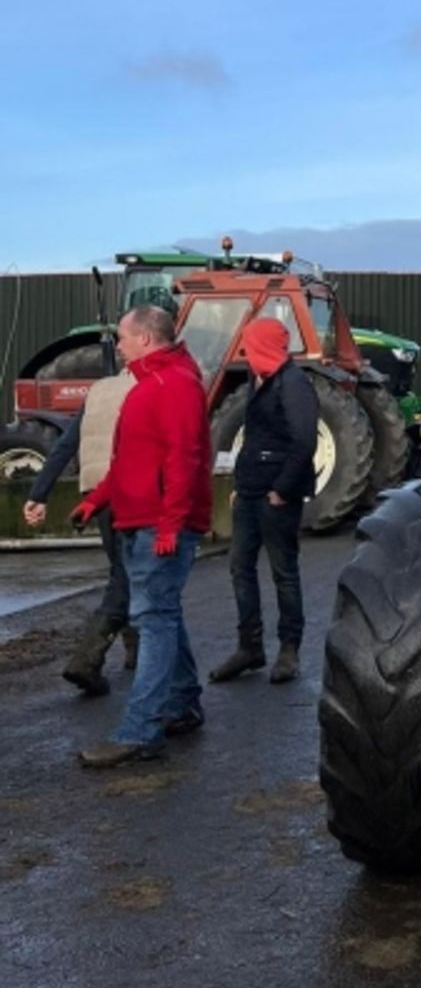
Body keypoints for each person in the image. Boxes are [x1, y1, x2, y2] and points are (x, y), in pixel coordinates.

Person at [72, 305, 213, 768]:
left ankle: (140, 731)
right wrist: (98, 499)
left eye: (123, 337)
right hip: (140, 519)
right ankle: (182, 704)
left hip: (158, 525)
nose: (118, 344)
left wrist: (172, 524)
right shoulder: (148, 385)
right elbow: (128, 462)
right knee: (161, 615)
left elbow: (184, 459)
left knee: (153, 621)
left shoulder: (174, 386)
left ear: (147, 339)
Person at [209, 316, 317, 687]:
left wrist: (282, 490)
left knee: (283, 572)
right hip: (251, 491)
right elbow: (254, 438)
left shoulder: (295, 384)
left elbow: (304, 441)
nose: (244, 353)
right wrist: (242, 484)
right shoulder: (259, 380)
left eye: (249, 346)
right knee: (241, 566)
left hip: (276, 497)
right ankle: (249, 648)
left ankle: (289, 650)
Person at [23, 365, 139, 694]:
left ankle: (136, 650)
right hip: (130, 488)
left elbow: (66, 445)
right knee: (128, 574)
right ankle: (88, 658)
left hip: (95, 493)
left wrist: (38, 494)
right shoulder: (151, 387)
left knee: (121, 567)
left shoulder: (99, 390)